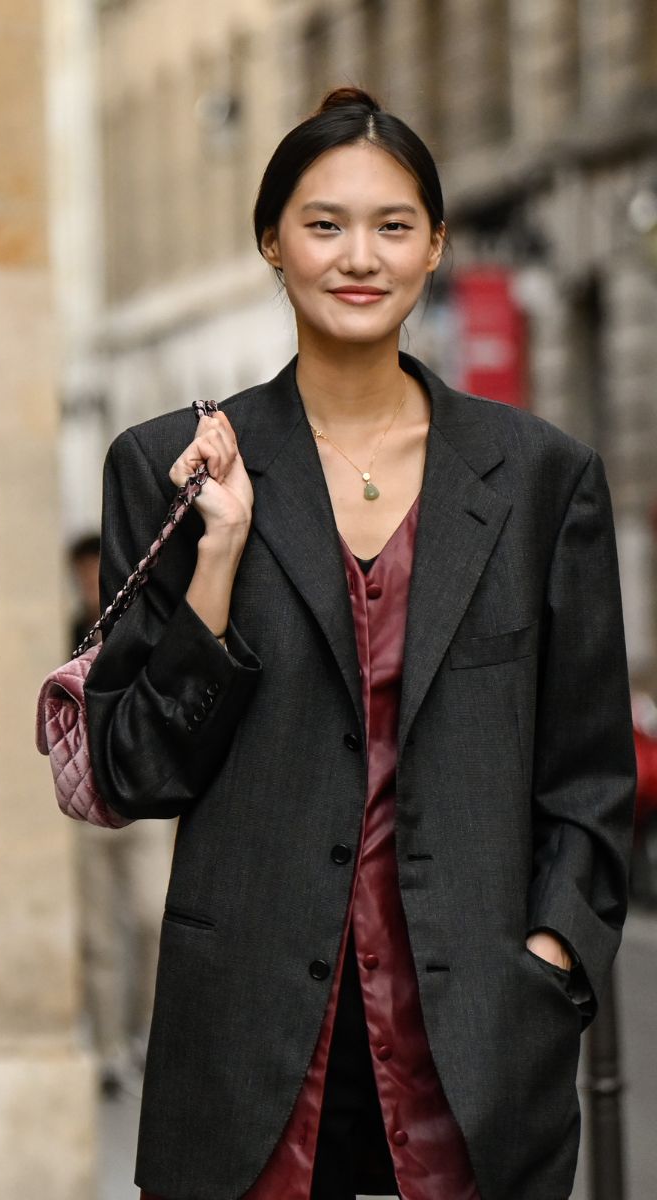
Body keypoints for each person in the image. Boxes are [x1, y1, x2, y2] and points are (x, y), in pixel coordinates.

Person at [85, 87, 635, 1200]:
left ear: (436, 244)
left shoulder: (540, 478)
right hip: (248, 1052)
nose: (359, 257)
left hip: (475, 1047)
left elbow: (588, 776)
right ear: (270, 242)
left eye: (392, 226)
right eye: (324, 224)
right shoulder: (172, 466)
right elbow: (131, 768)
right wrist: (220, 561)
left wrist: (551, 959)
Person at [67, 534, 171, 1098]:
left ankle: (142, 1034)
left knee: (153, 918)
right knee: (101, 933)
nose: (89, 583)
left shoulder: (142, 624)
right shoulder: (66, 632)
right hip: (85, 801)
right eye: (81, 574)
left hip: (141, 797)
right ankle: (109, 1049)